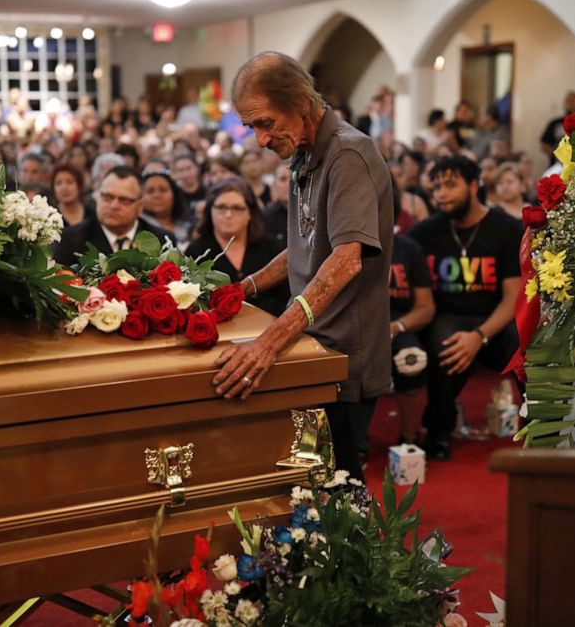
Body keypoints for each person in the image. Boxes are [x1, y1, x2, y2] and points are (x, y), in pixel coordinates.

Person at [215, 52, 393, 482]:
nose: (259, 139)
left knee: (341, 489)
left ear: (300, 102)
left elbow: (345, 260)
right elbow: (304, 247)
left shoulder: (348, 154)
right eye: (251, 126)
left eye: (265, 123)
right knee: (310, 488)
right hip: (314, 344)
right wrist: (244, 289)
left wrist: (268, 343)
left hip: (344, 354)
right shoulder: (303, 152)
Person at [407, 155, 522, 460]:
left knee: (528, 343)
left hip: (495, 318)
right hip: (448, 317)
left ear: (473, 185)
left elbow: (513, 298)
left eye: (450, 185)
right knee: (447, 346)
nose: (441, 194)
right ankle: (438, 429)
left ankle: (538, 424)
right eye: (436, 187)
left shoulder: (507, 229)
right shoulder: (424, 232)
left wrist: (480, 336)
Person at [186, 176, 290, 316]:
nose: (228, 215)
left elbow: (286, 297)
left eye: (237, 208)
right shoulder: (196, 251)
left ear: (250, 213)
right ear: (210, 211)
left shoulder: (271, 247)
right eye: (221, 207)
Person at [53, 165, 174, 266]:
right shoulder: (71, 240)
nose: (114, 206)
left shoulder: (161, 240)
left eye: (124, 200)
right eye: (107, 197)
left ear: (140, 205)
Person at [388, 188, 435, 446]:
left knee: (412, 359)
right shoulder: (346, 249)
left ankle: (409, 439)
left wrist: (397, 327)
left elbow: (426, 308)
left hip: (398, 326)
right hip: (357, 327)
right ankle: (355, 446)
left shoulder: (409, 249)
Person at [140, 169, 194, 250]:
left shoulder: (189, 226)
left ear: (174, 195)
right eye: (150, 191)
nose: (157, 195)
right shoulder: (136, 227)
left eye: (163, 190)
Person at [540, 91, 575, 167]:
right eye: (567, 100)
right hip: (558, 165)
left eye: (572, 100)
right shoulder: (555, 123)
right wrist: (557, 155)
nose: (570, 103)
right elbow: (544, 144)